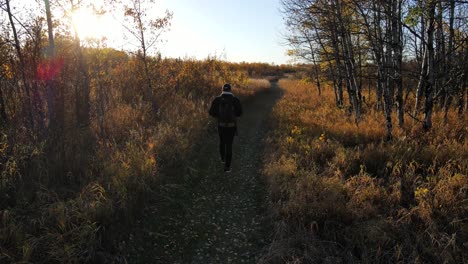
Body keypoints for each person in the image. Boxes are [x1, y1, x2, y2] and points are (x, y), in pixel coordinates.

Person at [209, 83, 242, 173]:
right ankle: (227, 168)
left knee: (222, 142)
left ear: (222, 90)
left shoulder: (217, 99)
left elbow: (211, 112)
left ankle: (223, 159)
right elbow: (239, 113)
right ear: (230, 90)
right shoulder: (235, 100)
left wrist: (219, 116)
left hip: (221, 125)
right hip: (231, 126)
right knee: (229, 145)